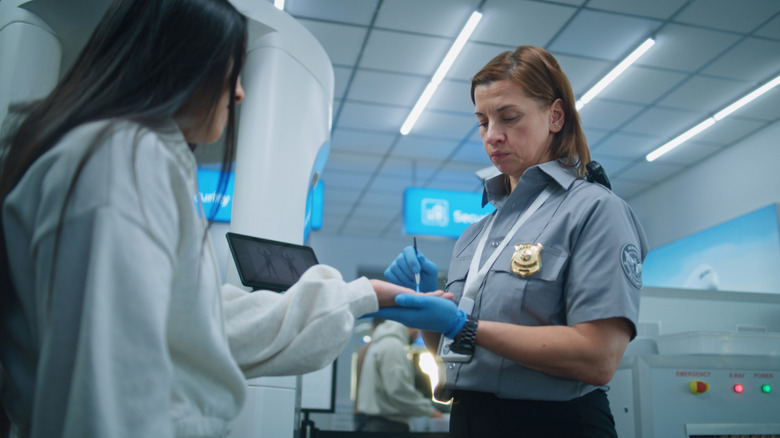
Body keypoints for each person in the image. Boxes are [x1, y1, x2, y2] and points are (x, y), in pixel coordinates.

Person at [0, 1, 424, 437]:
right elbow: (110, 385)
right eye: (232, 69)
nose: (239, 92)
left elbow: (203, 324)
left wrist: (362, 295)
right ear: (180, 61)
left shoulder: (127, 155)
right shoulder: (122, 161)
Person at [377, 46, 648, 438]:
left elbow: (599, 357)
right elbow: (453, 355)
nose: (493, 136)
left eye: (509, 117)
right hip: (471, 419)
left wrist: (465, 326)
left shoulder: (595, 210)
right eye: (482, 122)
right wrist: (426, 305)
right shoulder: (476, 234)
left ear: (555, 116)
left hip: (554, 423)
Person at [355, 320, 442, 432]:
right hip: (388, 426)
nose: (417, 336)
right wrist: (431, 412)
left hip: (377, 423)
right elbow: (398, 390)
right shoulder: (393, 346)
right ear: (411, 327)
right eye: (418, 330)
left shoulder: (382, 343)